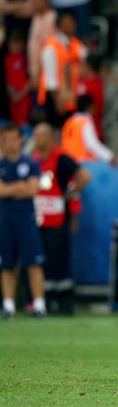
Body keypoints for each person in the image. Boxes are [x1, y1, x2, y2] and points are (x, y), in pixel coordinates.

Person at [31, 123, 90, 315]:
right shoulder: (34, 160)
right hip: (38, 221)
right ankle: (47, 300)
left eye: (39, 135)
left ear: (49, 138)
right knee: (42, 262)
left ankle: (64, 302)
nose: (36, 139)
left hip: (58, 221)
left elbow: (84, 176)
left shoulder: (62, 159)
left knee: (59, 262)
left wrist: (71, 193)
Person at [1, 124, 46, 318]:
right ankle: (9, 305)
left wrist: (10, 189)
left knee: (33, 263)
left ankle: (39, 304)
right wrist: (19, 187)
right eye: (5, 139)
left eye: (12, 138)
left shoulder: (31, 163)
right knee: (6, 264)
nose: (9, 143)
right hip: (5, 220)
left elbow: (33, 189)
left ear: (20, 139)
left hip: (26, 220)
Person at [38, 12, 86, 129]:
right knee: (58, 129)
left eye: (73, 22)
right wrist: (57, 101)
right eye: (68, 22)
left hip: (71, 95)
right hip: (55, 97)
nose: (72, 25)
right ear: (60, 26)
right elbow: (50, 79)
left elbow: (84, 61)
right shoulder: (51, 46)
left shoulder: (75, 43)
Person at [60, 95, 116, 165]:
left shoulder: (69, 122)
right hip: (83, 164)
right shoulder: (85, 121)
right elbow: (92, 144)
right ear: (88, 107)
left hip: (68, 163)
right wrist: (109, 156)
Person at [5, 31, 31, 126]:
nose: (15, 47)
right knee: (13, 121)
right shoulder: (7, 59)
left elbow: (30, 79)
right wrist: (11, 92)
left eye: (17, 44)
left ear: (23, 45)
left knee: (23, 121)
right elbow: (7, 79)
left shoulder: (25, 59)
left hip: (24, 96)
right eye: (13, 43)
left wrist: (22, 94)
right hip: (12, 96)